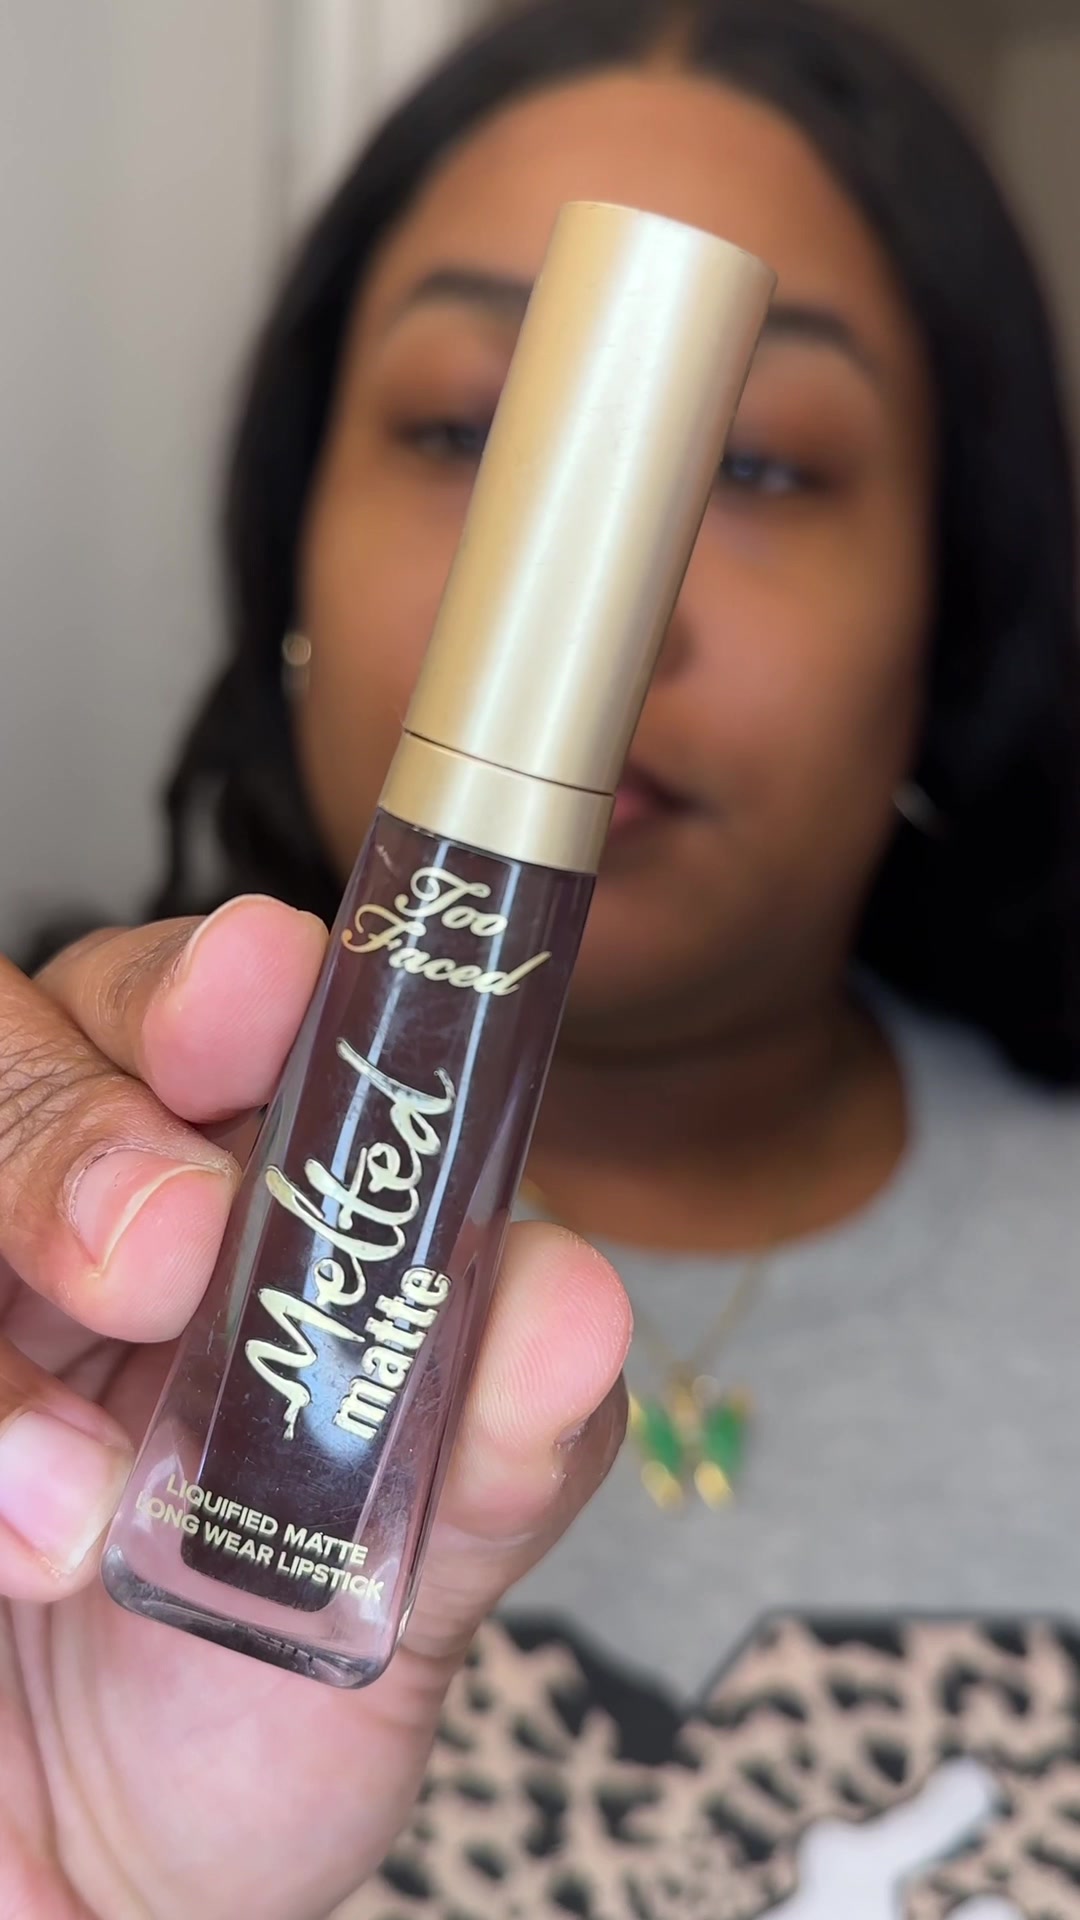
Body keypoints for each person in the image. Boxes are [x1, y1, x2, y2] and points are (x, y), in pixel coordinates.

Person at [3, 0, 1080, 1913]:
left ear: (955, 601)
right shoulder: (71, 1281)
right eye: (457, 428)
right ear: (290, 549)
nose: (632, 606)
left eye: (762, 464)